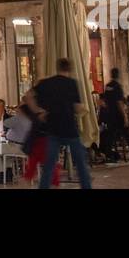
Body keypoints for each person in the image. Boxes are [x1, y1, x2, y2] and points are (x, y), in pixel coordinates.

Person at [32, 58, 91, 189]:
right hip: (70, 129)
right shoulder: (72, 83)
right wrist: (83, 109)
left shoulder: (47, 83)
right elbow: (77, 107)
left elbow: (28, 96)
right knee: (81, 164)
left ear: (57, 68)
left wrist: (38, 111)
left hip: (52, 129)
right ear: (69, 69)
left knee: (49, 165)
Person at [100, 68, 129, 165]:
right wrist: (124, 116)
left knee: (110, 137)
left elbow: (106, 101)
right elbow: (119, 102)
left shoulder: (107, 86)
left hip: (110, 115)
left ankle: (109, 157)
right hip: (118, 115)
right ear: (118, 75)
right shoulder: (117, 86)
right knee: (128, 135)